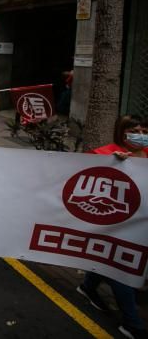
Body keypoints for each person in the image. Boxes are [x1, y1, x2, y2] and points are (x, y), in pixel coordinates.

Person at [77, 115, 147, 339]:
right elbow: (78, 175)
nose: (142, 136)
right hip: (114, 227)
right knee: (121, 268)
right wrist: (112, 165)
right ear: (122, 132)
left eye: (145, 132)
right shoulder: (105, 154)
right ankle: (132, 323)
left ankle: (88, 286)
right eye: (136, 131)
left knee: (108, 261)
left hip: (140, 225)